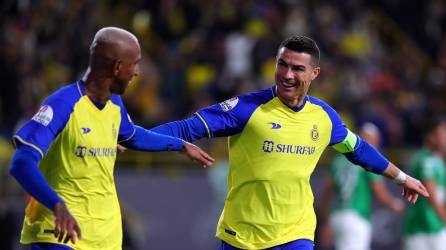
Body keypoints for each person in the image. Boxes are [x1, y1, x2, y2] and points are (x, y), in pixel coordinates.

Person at [150, 35, 429, 250]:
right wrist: (136, 138)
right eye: (282, 65)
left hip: (296, 234)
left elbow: (358, 150)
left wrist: (401, 177)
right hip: (243, 235)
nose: (287, 75)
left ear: (314, 74)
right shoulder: (247, 108)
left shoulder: (324, 117)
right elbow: (186, 128)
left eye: (297, 68)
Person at [9, 27, 214, 250]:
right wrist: (57, 205)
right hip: (59, 233)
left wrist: (180, 145)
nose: (137, 72)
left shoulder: (114, 103)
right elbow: (21, 162)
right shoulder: (63, 104)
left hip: (105, 237)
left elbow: (132, 136)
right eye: (134, 63)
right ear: (117, 67)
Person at [318, 122, 405, 250]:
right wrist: (395, 204)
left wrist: (325, 221)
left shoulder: (338, 160)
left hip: (337, 216)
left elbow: (326, 192)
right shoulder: (368, 161)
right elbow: (379, 192)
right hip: (356, 217)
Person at [402, 117, 446, 250]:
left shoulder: (436, 160)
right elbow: (431, 196)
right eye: (441, 133)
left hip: (435, 226)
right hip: (423, 228)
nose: (444, 138)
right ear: (431, 136)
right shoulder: (426, 160)